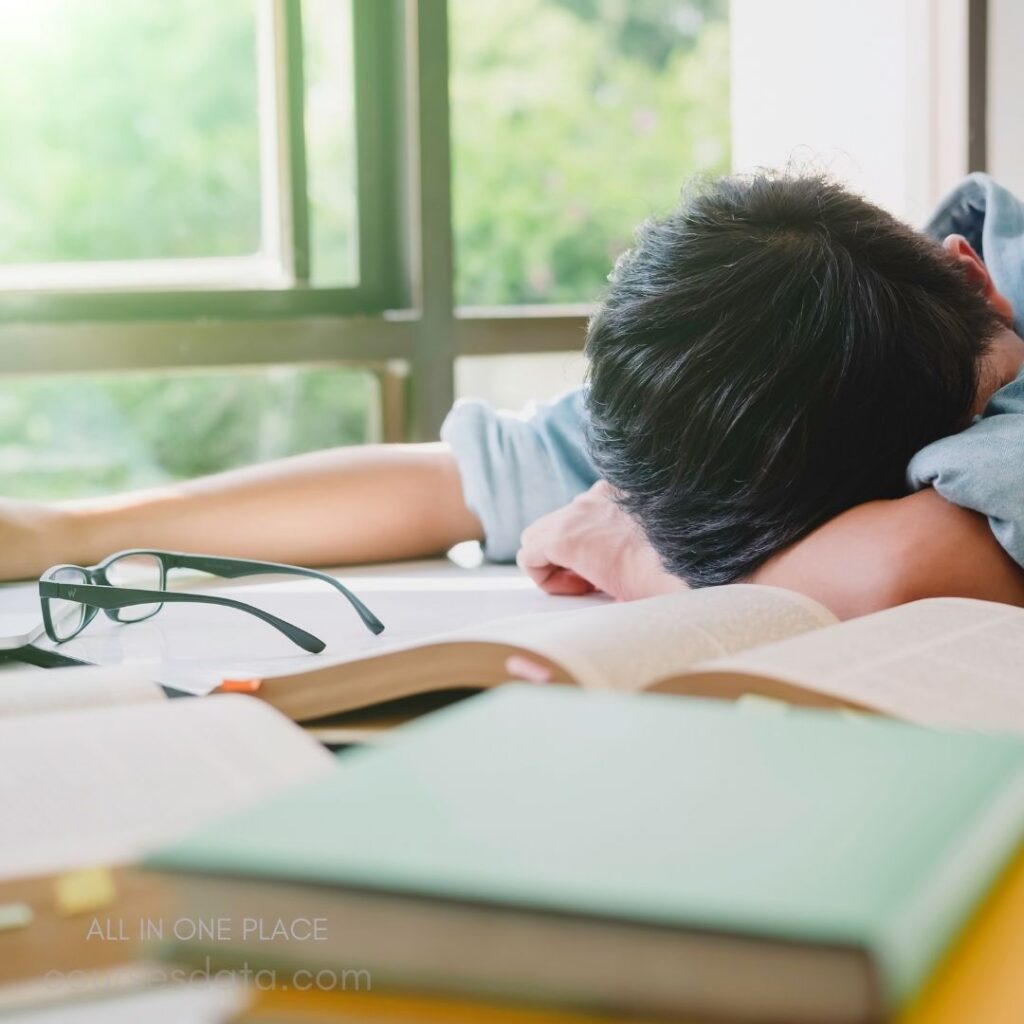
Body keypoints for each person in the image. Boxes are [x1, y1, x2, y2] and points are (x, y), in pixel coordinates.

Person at [4, 173, 1024, 620]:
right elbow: (453, 484)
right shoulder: (799, 345)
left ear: (975, 277)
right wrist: (63, 531)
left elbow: (908, 565)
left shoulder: (970, 365)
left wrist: (640, 561)